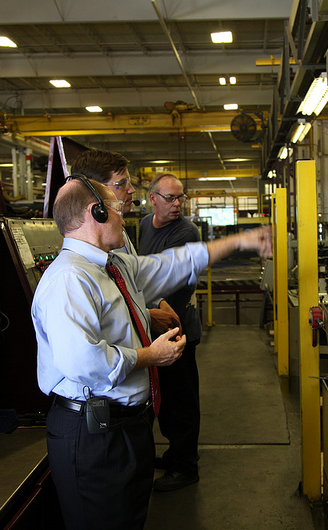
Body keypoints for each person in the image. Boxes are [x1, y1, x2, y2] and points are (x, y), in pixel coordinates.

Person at [32, 177, 271, 530]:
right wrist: (148, 356)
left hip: (125, 428)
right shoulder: (70, 278)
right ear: (94, 212)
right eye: (115, 209)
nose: (124, 217)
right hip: (94, 436)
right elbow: (83, 362)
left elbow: (169, 264)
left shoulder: (112, 267)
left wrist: (240, 241)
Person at [68, 148, 179, 334]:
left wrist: (157, 302)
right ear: (94, 190)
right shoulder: (79, 260)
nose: (132, 190)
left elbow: (133, 278)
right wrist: (147, 316)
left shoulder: (118, 230)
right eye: (122, 183)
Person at [138, 173, 202, 491]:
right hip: (155, 326)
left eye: (180, 198)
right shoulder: (144, 226)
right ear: (153, 198)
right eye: (170, 198)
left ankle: (185, 465)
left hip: (178, 327)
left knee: (180, 401)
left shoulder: (186, 231)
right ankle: (177, 454)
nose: (177, 204)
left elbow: (165, 280)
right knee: (164, 399)